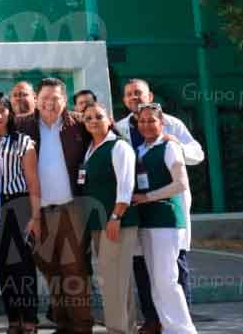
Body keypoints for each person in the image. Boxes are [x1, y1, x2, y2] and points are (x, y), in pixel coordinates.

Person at [115, 78, 204, 334]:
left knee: (171, 272)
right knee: (145, 269)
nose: (134, 98)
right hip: (138, 210)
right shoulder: (120, 128)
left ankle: (181, 323)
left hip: (165, 211)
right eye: (129, 94)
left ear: (150, 96)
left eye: (139, 93)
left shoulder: (171, 126)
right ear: (124, 100)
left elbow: (197, 154)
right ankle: (154, 321)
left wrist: (174, 145)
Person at [15, 77, 93, 334]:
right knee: (50, 270)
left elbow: (109, 132)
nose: (50, 103)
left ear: (65, 100)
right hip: (37, 213)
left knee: (75, 270)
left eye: (56, 98)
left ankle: (82, 327)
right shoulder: (23, 125)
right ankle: (63, 324)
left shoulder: (79, 123)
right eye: (45, 98)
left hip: (71, 209)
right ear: (37, 100)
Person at [129, 104, 197, 334]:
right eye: (142, 121)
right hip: (147, 221)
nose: (146, 125)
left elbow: (181, 184)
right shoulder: (140, 150)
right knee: (156, 282)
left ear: (162, 123)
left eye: (151, 120)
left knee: (167, 280)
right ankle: (169, 327)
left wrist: (147, 197)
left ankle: (183, 330)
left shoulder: (170, 147)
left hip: (166, 222)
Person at [0, 91, 40, 334]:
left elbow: (33, 181)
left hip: (19, 204)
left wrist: (36, 217)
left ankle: (30, 320)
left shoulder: (23, 142)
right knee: (3, 266)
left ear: (10, 111)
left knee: (23, 266)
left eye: (2, 110)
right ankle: (13, 319)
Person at [79, 103, 138, 334]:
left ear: (109, 119)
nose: (93, 121)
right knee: (119, 281)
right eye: (88, 118)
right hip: (98, 224)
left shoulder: (119, 146)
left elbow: (126, 186)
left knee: (113, 282)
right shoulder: (90, 148)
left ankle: (117, 330)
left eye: (98, 116)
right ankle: (127, 329)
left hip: (116, 222)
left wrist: (116, 216)